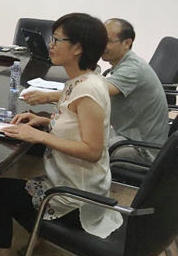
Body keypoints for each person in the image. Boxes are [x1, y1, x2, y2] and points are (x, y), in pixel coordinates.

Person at [0, 13, 122, 256]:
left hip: (76, 200)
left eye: (57, 40)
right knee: (5, 185)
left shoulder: (89, 90)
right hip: (71, 184)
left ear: (78, 48)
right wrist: (42, 121)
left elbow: (92, 150)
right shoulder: (81, 81)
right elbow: (75, 125)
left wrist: (40, 136)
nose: (50, 45)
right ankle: (32, 247)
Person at [22, 18, 168, 163]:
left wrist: (48, 97)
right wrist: (48, 122)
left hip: (140, 148)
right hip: (124, 134)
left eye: (108, 41)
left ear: (127, 43)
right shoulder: (117, 66)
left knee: (62, 143)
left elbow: (94, 92)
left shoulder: (132, 69)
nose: (101, 45)